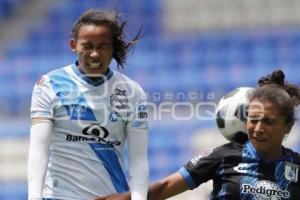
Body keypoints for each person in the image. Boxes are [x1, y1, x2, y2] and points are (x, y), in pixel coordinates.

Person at [94, 69, 300, 200]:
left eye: (269, 121)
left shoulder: (296, 167)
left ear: (288, 126)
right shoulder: (224, 156)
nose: (258, 128)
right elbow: (164, 188)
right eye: (253, 120)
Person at [27, 9, 149, 200]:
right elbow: (38, 149)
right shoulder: (48, 85)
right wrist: (34, 197)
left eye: (103, 46)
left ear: (113, 48)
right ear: (74, 45)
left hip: (111, 195)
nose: (94, 54)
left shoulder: (132, 92)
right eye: (87, 46)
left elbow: (138, 158)